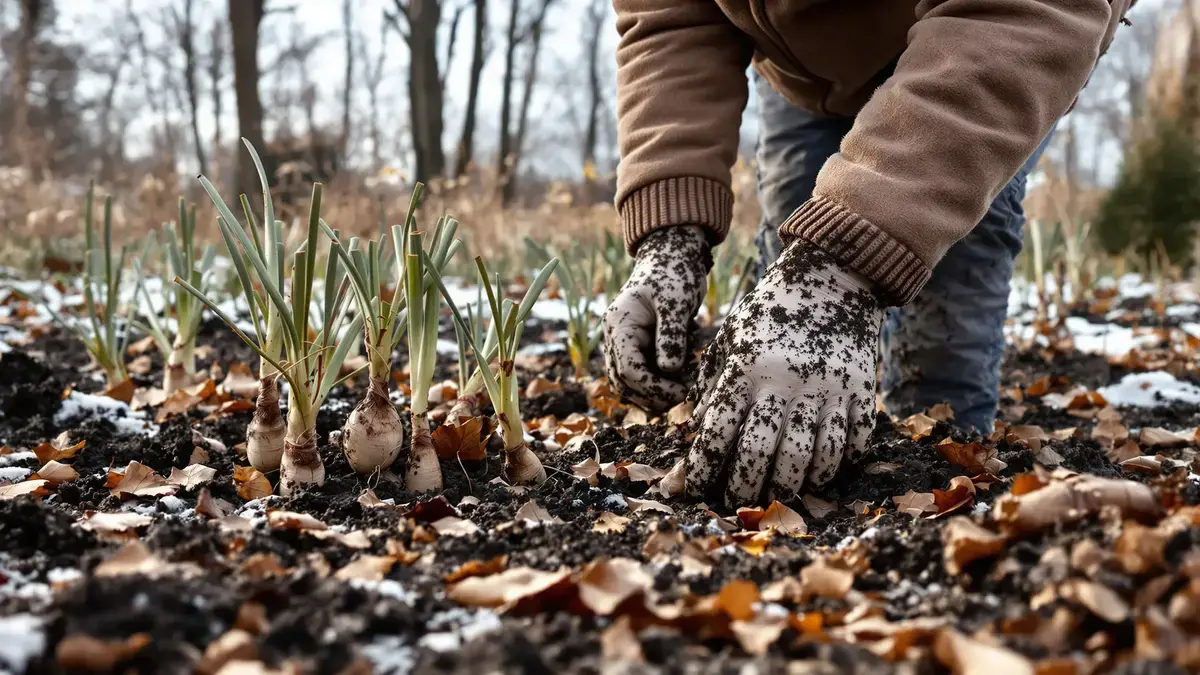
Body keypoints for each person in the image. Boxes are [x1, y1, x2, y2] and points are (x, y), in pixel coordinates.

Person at [602, 0, 1133, 508]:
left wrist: (838, 272)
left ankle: (948, 465)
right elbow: (669, 19)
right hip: (802, 70)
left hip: (989, 40)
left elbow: (1024, 13)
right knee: (791, 261)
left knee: (953, 254)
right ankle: (784, 455)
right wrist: (670, 240)